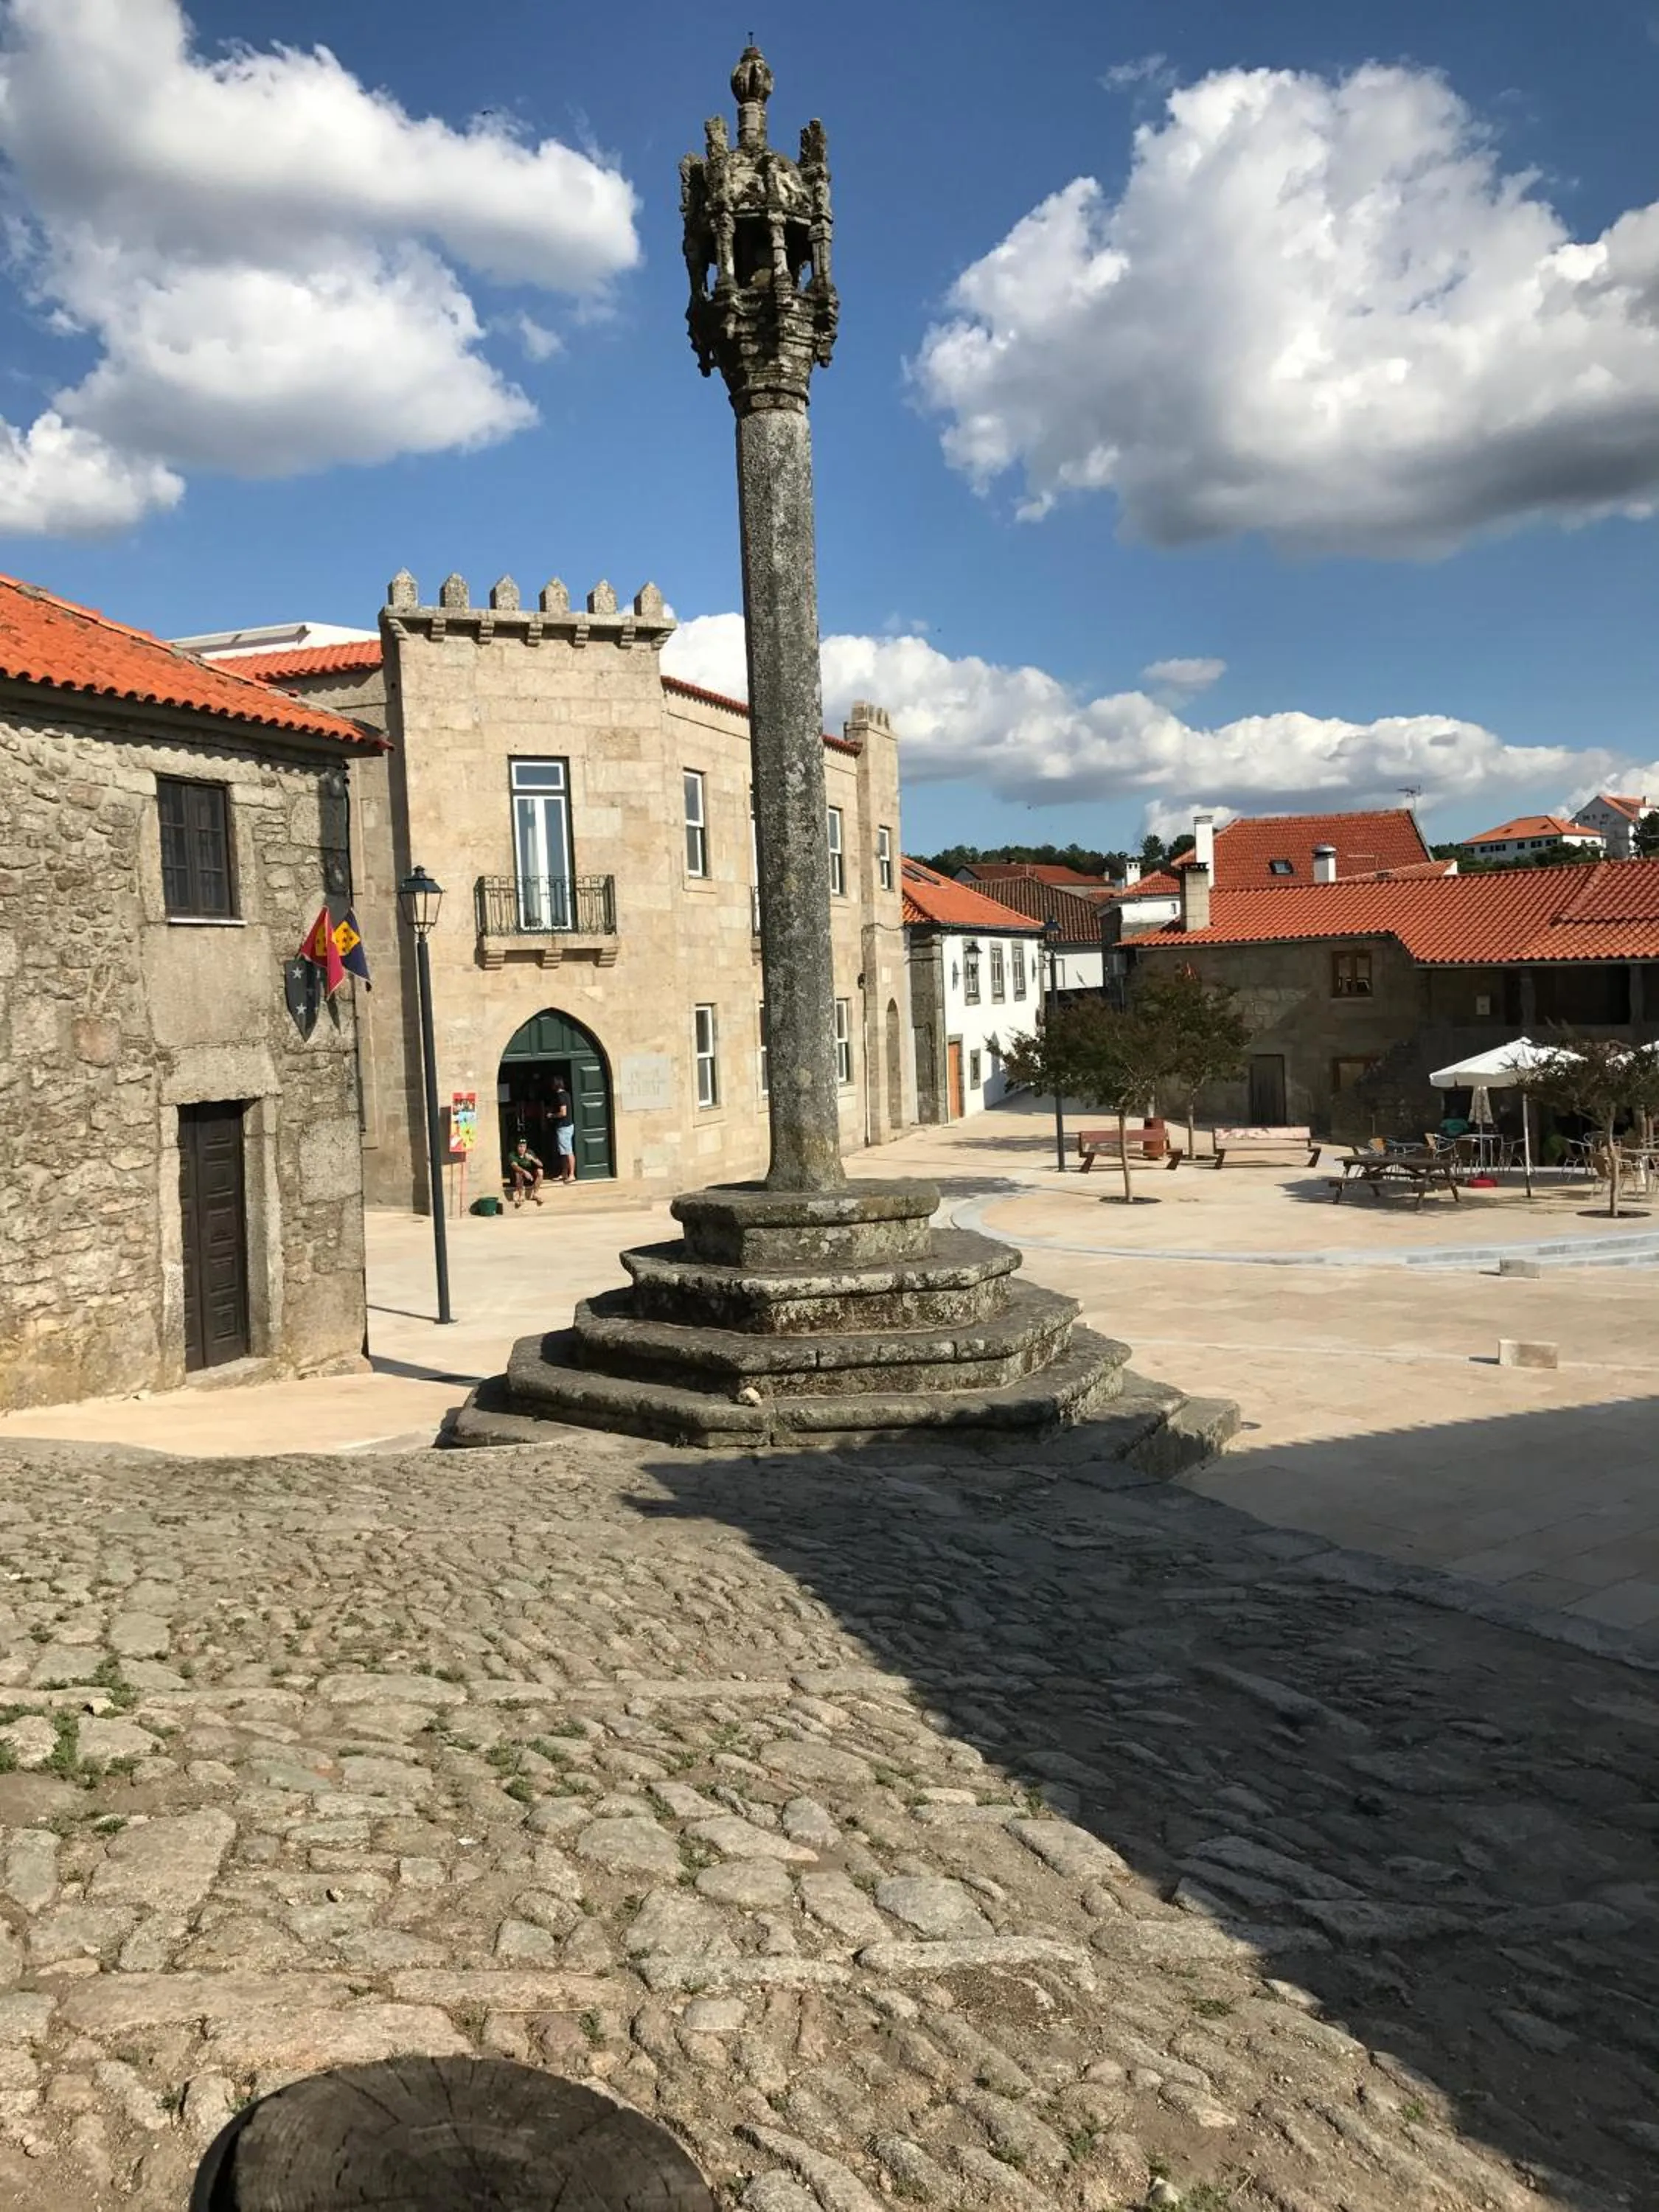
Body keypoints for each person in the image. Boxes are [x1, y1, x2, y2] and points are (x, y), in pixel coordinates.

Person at [551, 1080, 577, 1184]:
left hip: (564, 1127)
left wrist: (552, 1115)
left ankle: (571, 1174)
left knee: (568, 1151)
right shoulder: (567, 1094)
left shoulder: (560, 1096)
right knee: (563, 1151)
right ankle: (564, 1173)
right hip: (567, 1126)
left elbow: (563, 1113)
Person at [507, 1136, 544, 1208]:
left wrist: (533, 1159)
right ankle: (521, 1196)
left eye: (524, 1147)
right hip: (517, 1180)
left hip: (529, 1178)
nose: (522, 1149)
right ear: (517, 1147)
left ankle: (535, 1194)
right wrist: (524, 1172)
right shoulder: (512, 1154)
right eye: (520, 1146)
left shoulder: (529, 1152)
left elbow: (541, 1164)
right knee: (518, 1173)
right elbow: (515, 1166)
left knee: (540, 1171)